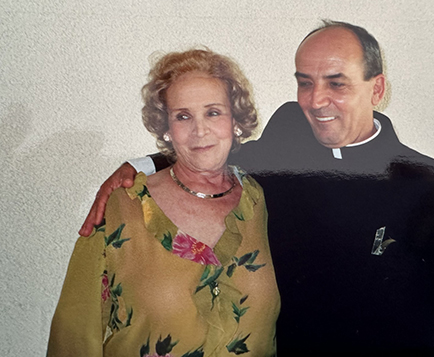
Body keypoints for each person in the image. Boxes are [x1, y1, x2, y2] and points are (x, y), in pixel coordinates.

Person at [79, 21, 434, 356]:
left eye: (337, 83)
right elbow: (210, 148)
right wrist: (141, 164)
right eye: (305, 83)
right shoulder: (282, 149)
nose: (316, 101)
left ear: (378, 89)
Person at [48, 49, 280, 357]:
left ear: (235, 121)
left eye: (213, 112)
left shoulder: (260, 201)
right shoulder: (121, 207)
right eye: (183, 116)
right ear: (167, 129)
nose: (200, 130)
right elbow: (75, 334)